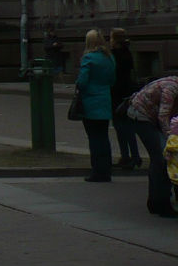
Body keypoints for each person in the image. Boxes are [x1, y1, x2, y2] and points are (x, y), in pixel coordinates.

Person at [126, 74, 178, 218]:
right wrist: (170, 138)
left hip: (150, 115)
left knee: (160, 158)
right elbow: (163, 115)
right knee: (162, 156)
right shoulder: (171, 88)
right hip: (142, 116)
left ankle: (155, 201)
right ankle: (160, 202)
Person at [76, 28, 116, 183]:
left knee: (94, 138)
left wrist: (79, 84)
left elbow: (83, 82)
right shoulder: (109, 58)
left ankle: (97, 170)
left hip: (90, 102)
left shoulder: (88, 58)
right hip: (105, 100)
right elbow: (112, 80)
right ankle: (106, 169)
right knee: (104, 137)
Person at [110, 28, 141, 170]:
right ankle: (133, 156)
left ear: (114, 39)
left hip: (117, 93)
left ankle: (127, 156)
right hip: (127, 92)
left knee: (121, 126)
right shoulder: (127, 52)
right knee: (127, 126)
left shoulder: (115, 54)